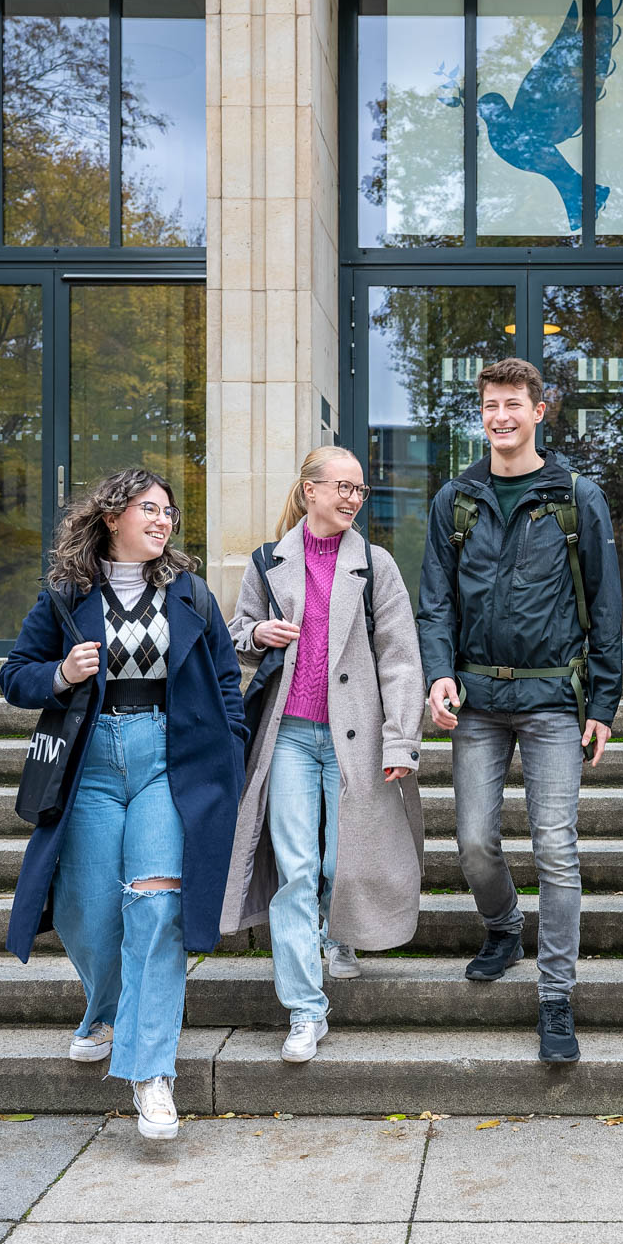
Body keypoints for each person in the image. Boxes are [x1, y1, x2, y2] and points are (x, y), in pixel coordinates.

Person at [0, 467, 249, 1140]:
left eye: (169, 512)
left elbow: (227, 679)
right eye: (150, 508)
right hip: (91, 763)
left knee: (158, 904)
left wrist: (230, 746)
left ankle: (150, 1071)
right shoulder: (67, 594)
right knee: (87, 908)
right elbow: (14, 675)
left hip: (170, 761)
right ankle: (105, 1005)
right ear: (112, 516)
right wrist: (60, 673)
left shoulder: (191, 594)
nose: (163, 521)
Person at [416, 356, 623, 1064]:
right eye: (489, 406)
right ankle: (503, 924)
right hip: (476, 700)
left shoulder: (575, 496)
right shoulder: (457, 499)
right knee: (474, 842)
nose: (500, 417)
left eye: (513, 404)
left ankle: (556, 994)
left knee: (556, 847)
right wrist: (439, 673)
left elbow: (604, 603)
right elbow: (435, 601)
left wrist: (603, 701)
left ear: (541, 410)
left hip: (550, 703)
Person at [225, 446, 426, 1063]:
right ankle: (305, 1011)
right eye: (341, 487)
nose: (352, 499)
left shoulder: (378, 565)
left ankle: (338, 935)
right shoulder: (267, 562)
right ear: (308, 490)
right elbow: (235, 634)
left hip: (357, 738)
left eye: (359, 490)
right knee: (296, 871)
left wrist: (401, 739)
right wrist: (257, 634)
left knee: (346, 861)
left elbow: (399, 658)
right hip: (287, 734)